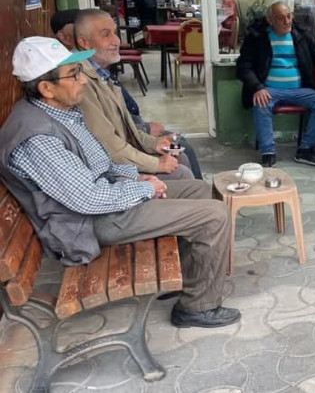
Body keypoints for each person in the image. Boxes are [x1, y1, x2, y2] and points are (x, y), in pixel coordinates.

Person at [0, 37, 240, 328]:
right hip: (87, 223)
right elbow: (88, 199)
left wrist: (134, 176)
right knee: (214, 216)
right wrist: (144, 189)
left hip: (104, 203)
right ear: (46, 88)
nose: (83, 80)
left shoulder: (60, 113)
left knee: (199, 189)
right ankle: (197, 308)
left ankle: (189, 280)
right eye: (74, 74)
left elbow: (99, 164)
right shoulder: (38, 138)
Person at [73, 9, 194, 180]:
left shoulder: (101, 74)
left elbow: (127, 129)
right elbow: (108, 144)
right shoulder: (81, 82)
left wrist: (155, 144)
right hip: (111, 171)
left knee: (180, 154)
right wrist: (156, 164)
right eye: (106, 34)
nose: (116, 41)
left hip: (124, 157)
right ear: (84, 42)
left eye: (115, 33)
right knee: (181, 171)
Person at [237, 1, 315, 167]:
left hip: (299, 90)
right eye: (281, 18)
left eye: (289, 16)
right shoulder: (257, 38)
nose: (287, 21)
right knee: (260, 102)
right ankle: (268, 153)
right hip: (269, 90)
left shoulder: (300, 35)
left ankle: (306, 149)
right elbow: (243, 67)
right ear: (270, 21)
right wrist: (257, 88)